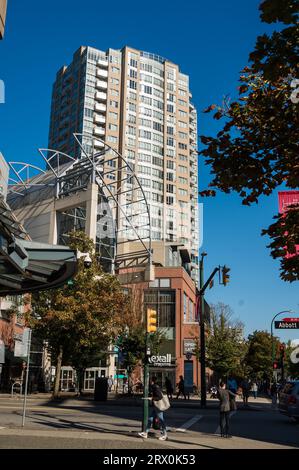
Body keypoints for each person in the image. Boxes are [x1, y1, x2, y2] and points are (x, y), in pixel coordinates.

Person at [138, 376, 168, 441]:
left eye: (150, 380)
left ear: (152, 381)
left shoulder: (155, 387)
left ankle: (165, 435)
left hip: (158, 407)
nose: (149, 381)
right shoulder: (155, 386)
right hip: (156, 406)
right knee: (150, 419)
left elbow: (160, 396)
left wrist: (152, 398)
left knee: (161, 420)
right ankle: (145, 433)